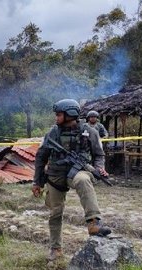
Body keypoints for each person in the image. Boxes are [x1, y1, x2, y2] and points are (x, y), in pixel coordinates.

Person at [32, 99, 112, 262]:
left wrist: (99, 167)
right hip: (55, 176)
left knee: (83, 180)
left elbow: (99, 155)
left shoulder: (90, 131)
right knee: (55, 213)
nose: (56, 117)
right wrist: (37, 182)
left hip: (78, 172)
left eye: (59, 114)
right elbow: (41, 158)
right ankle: (56, 249)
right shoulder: (52, 133)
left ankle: (93, 223)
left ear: (70, 115)